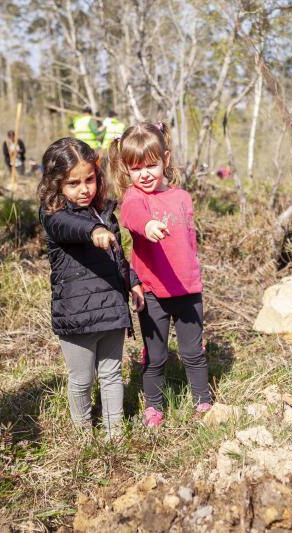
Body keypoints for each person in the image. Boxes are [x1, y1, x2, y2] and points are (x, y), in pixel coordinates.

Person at [37, 137, 144, 435]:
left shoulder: (103, 213)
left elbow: (118, 256)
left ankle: (115, 433)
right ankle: (82, 435)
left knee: (111, 374)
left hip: (110, 307)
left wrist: (132, 282)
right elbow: (70, 227)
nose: (84, 189)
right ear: (56, 184)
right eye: (73, 183)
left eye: (90, 180)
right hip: (77, 316)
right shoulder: (54, 217)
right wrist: (93, 229)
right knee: (82, 379)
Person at [110, 121, 212, 427]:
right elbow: (132, 217)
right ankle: (153, 406)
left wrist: (193, 272)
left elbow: (189, 241)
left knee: (193, 352)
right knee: (156, 356)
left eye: (151, 165)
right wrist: (149, 226)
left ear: (165, 160)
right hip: (153, 291)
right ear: (126, 169)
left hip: (187, 289)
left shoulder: (182, 197)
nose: (145, 174)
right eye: (136, 167)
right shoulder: (134, 198)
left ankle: (202, 401)